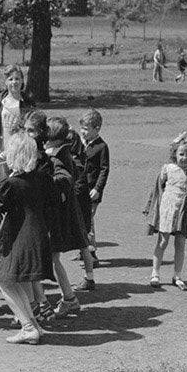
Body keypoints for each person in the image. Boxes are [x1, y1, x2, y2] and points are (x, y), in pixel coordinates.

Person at [0, 133, 63, 345]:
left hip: (21, 236)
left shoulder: (12, 183)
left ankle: (28, 326)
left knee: (4, 280)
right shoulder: (42, 177)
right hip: (39, 234)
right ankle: (33, 324)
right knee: (12, 280)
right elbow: (20, 192)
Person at [44, 115, 91, 316]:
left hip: (58, 216)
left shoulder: (59, 156)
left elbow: (65, 180)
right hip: (60, 214)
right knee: (52, 258)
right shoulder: (61, 153)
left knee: (53, 258)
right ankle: (68, 297)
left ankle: (68, 298)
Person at [144, 132, 187, 290]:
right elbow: (157, 189)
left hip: (183, 213)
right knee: (162, 242)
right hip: (167, 211)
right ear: (175, 154)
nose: (185, 157)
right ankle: (155, 272)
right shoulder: (168, 169)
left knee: (180, 244)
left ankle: (177, 275)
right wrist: (152, 209)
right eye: (181, 153)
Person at [72, 108, 110, 275]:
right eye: (82, 128)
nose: (83, 132)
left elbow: (104, 169)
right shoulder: (80, 143)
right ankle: (83, 250)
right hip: (78, 189)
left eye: (86, 129)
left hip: (91, 191)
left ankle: (92, 254)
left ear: (97, 129)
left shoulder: (102, 147)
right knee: (79, 219)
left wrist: (97, 189)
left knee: (89, 222)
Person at [0, 64, 32, 172]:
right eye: (10, 79)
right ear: (5, 82)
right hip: (1, 151)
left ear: (22, 81)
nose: (14, 82)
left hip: (21, 153)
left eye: (17, 79)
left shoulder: (28, 103)